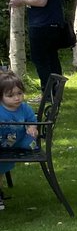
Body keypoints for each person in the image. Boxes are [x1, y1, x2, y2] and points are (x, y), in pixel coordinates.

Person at [8, 0, 71, 92]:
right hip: (51, 25)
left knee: (41, 60)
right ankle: (55, 93)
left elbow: (42, 1)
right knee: (51, 58)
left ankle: (48, 93)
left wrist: (21, 0)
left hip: (43, 26)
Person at [0, 72, 39, 212]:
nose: (17, 98)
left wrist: (32, 128)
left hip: (20, 140)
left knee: (31, 144)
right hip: (3, 144)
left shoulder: (24, 108)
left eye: (19, 93)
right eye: (10, 95)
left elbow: (32, 121)